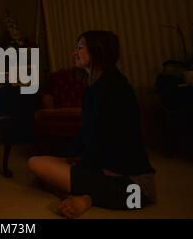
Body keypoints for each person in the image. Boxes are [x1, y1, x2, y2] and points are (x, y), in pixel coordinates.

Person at [28, 30, 156, 218]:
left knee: (35, 165)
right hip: (107, 171)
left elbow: (102, 140)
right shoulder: (96, 87)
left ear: (98, 51)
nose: (74, 53)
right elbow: (85, 134)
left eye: (80, 48)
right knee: (43, 166)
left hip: (134, 190)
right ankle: (83, 195)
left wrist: (78, 167)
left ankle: (86, 198)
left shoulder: (112, 87)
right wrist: (67, 158)